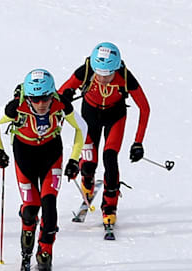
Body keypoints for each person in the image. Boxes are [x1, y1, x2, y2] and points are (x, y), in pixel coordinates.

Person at [0, 69, 84, 271]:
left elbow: (82, 128)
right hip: (25, 156)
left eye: (46, 98)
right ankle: (26, 253)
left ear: (53, 94)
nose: (41, 104)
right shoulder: (17, 108)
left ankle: (44, 258)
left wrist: (74, 159)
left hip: (52, 155)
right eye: (35, 99)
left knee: (50, 211)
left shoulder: (62, 105)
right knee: (31, 209)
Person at [57, 42, 150, 240]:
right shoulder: (86, 71)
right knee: (89, 163)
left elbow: (145, 107)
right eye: (99, 73)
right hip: (89, 116)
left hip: (115, 117)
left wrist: (138, 142)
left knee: (110, 158)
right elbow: (61, 93)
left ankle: (110, 207)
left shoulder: (125, 76)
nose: (102, 78)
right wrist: (66, 95)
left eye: (108, 74)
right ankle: (87, 178)